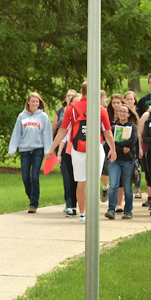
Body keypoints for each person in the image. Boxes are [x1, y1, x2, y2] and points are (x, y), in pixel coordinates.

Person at [46, 82, 116, 223]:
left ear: (81, 91)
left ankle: (82, 214)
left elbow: (62, 130)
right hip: (96, 148)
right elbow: (107, 133)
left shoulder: (71, 108)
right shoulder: (100, 109)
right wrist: (113, 149)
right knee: (94, 182)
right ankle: (93, 213)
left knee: (81, 182)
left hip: (78, 149)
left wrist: (52, 148)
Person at [8, 92, 53, 214]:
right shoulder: (22, 116)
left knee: (34, 177)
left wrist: (48, 150)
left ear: (39, 103)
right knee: (25, 177)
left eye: (37, 102)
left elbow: (47, 134)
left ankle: (34, 203)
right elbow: (17, 133)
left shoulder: (43, 117)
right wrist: (12, 149)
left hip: (38, 149)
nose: (35, 104)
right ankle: (31, 195)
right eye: (33, 101)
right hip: (25, 150)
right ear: (28, 102)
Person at [105, 105, 139, 220]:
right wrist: (121, 147)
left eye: (125, 111)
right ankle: (111, 210)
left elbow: (132, 141)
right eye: (120, 111)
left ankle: (128, 210)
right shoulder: (114, 128)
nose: (122, 113)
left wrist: (118, 144)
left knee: (127, 187)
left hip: (128, 161)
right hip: (115, 160)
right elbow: (109, 142)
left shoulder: (133, 127)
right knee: (113, 185)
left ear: (129, 114)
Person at [53, 90, 78, 213]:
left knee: (79, 178)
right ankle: (70, 204)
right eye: (69, 96)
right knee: (68, 177)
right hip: (66, 148)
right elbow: (62, 133)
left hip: (81, 149)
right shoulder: (63, 112)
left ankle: (79, 203)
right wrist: (56, 152)